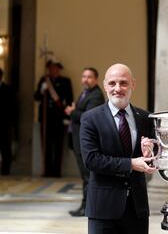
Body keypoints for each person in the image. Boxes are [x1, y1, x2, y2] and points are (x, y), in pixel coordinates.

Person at [80, 63, 156, 234]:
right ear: (105, 85)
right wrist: (130, 164)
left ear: (133, 85)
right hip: (103, 209)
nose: (118, 88)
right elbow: (91, 160)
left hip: (137, 209)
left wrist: (150, 153)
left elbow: (155, 156)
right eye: (112, 83)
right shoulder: (90, 119)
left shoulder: (145, 117)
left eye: (123, 83)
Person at [65, 67, 105, 217]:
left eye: (89, 77)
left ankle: (86, 207)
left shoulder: (95, 96)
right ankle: (86, 206)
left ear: (95, 79)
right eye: (83, 76)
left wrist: (71, 112)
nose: (85, 79)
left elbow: (87, 117)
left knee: (87, 176)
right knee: (85, 176)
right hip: (77, 138)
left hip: (85, 142)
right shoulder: (85, 93)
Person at [34, 60, 73, 177]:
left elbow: (70, 99)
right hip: (46, 119)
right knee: (46, 145)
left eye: (55, 68)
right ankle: (47, 171)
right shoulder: (44, 80)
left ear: (59, 69)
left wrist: (67, 116)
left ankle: (56, 172)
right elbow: (36, 98)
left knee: (58, 146)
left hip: (59, 118)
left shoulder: (65, 81)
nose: (53, 70)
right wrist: (41, 90)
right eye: (51, 68)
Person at [0, 68, 16, 175]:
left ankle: (6, 173)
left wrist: (11, 122)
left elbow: (13, 107)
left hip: (5, 124)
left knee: (6, 150)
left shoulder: (8, 89)